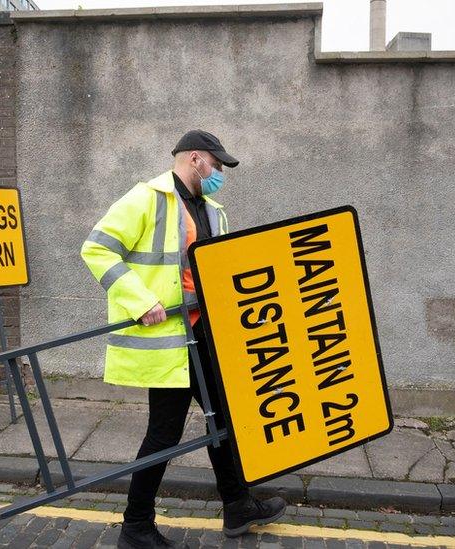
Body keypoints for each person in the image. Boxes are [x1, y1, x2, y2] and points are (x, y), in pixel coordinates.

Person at [81, 130, 286, 548]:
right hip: (171, 339)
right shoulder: (147, 198)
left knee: (225, 422)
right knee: (164, 433)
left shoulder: (213, 210)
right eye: (217, 164)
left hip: (206, 337)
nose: (220, 173)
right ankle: (136, 526)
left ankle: (237, 505)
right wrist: (141, 300)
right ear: (196, 158)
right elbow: (97, 249)